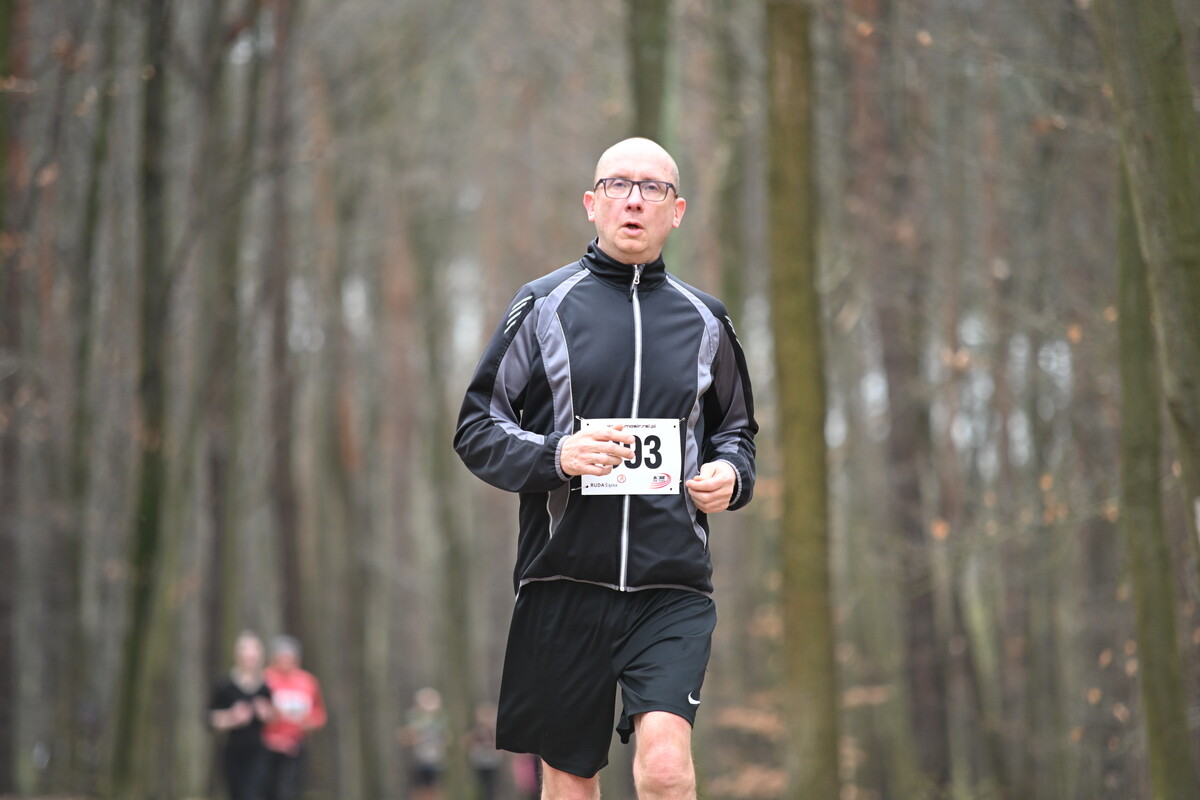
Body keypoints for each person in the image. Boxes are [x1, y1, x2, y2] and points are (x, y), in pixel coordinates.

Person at [454, 137, 758, 800]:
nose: (634, 200)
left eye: (653, 188)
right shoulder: (542, 306)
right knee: (570, 781)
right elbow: (476, 429)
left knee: (667, 768)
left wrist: (730, 478)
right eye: (619, 185)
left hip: (671, 584)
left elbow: (737, 433)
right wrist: (555, 455)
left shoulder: (706, 319)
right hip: (564, 580)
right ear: (592, 203)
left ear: (676, 211)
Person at [208, 631, 274, 800]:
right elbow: (208, 718)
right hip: (232, 750)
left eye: (254, 653)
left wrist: (266, 713)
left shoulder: (266, 687)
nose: (250, 657)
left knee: (253, 794)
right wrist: (232, 717)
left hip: (259, 751)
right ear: (237, 655)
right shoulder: (225, 685)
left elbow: (273, 718)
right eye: (246, 652)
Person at [261, 635, 327, 800]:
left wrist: (311, 723)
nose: (286, 661)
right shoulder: (265, 679)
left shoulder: (308, 681)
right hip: (266, 746)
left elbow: (319, 714)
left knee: (291, 791)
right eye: (281, 657)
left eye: (290, 657)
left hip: (296, 745)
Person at [398, 687, 449, 800]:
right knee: (419, 787)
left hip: (435, 759)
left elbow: (447, 738)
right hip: (418, 760)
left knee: (435, 786)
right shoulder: (412, 718)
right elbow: (404, 737)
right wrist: (413, 739)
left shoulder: (441, 719)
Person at [465, 701, 503, 800]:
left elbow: (499, 746)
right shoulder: (476, 730)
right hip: (479, 761)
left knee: (492, 786)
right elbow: (469, 743)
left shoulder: (495, 730)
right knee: (480, 785)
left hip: (493, 762)